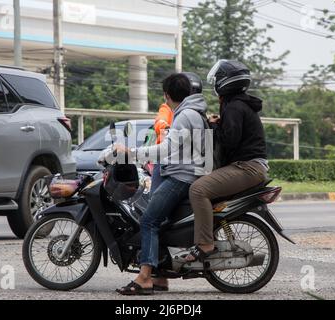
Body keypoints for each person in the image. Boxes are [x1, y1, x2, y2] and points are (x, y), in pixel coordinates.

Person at [113, 73, 208, 295]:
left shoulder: (184, 116)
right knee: (161, 220)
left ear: (167, 95)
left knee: (148, 221)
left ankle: (145, 277)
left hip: (180, 177)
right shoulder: (193, 112)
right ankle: (160, 277)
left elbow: (166, 149)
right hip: (182, 173)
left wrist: (131, 153)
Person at [185, 60, 269, 262]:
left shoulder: (234, 106)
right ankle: (208, 237)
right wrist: (219, 124)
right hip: (249, 166)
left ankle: (205, 245)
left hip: (247, 168)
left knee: (198, 190)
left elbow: (229, 141)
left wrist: (212, 128)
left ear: (224, 83)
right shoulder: (239, 104)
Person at [150, 72, 203, 195]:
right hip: (165, 158)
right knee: (154, 198)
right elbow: (160, 121)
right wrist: (167, 128)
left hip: (185, 165)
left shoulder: (193, 111)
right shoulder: (168, 108)